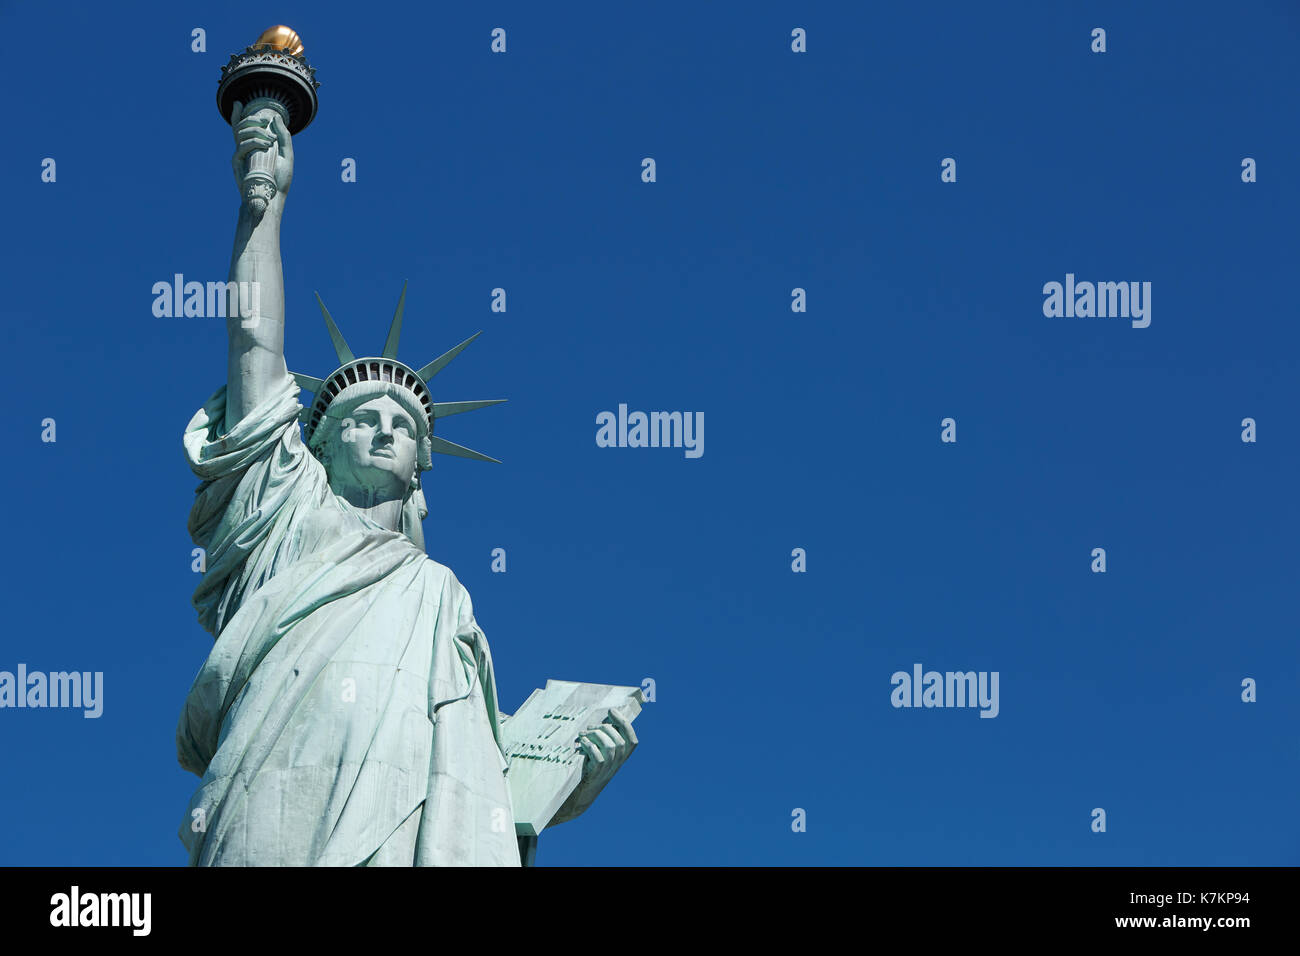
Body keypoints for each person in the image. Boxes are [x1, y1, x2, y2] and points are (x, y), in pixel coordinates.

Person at [176, 98, 634, 866]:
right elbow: (254, 345)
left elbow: (473, 776)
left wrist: (571, 775)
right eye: (361, 417)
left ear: (423, 461)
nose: (386, 429)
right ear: (313, 443)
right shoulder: (286, 517)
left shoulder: (443, 597)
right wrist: (265, 204)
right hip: (273, 801)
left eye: (405, 425)